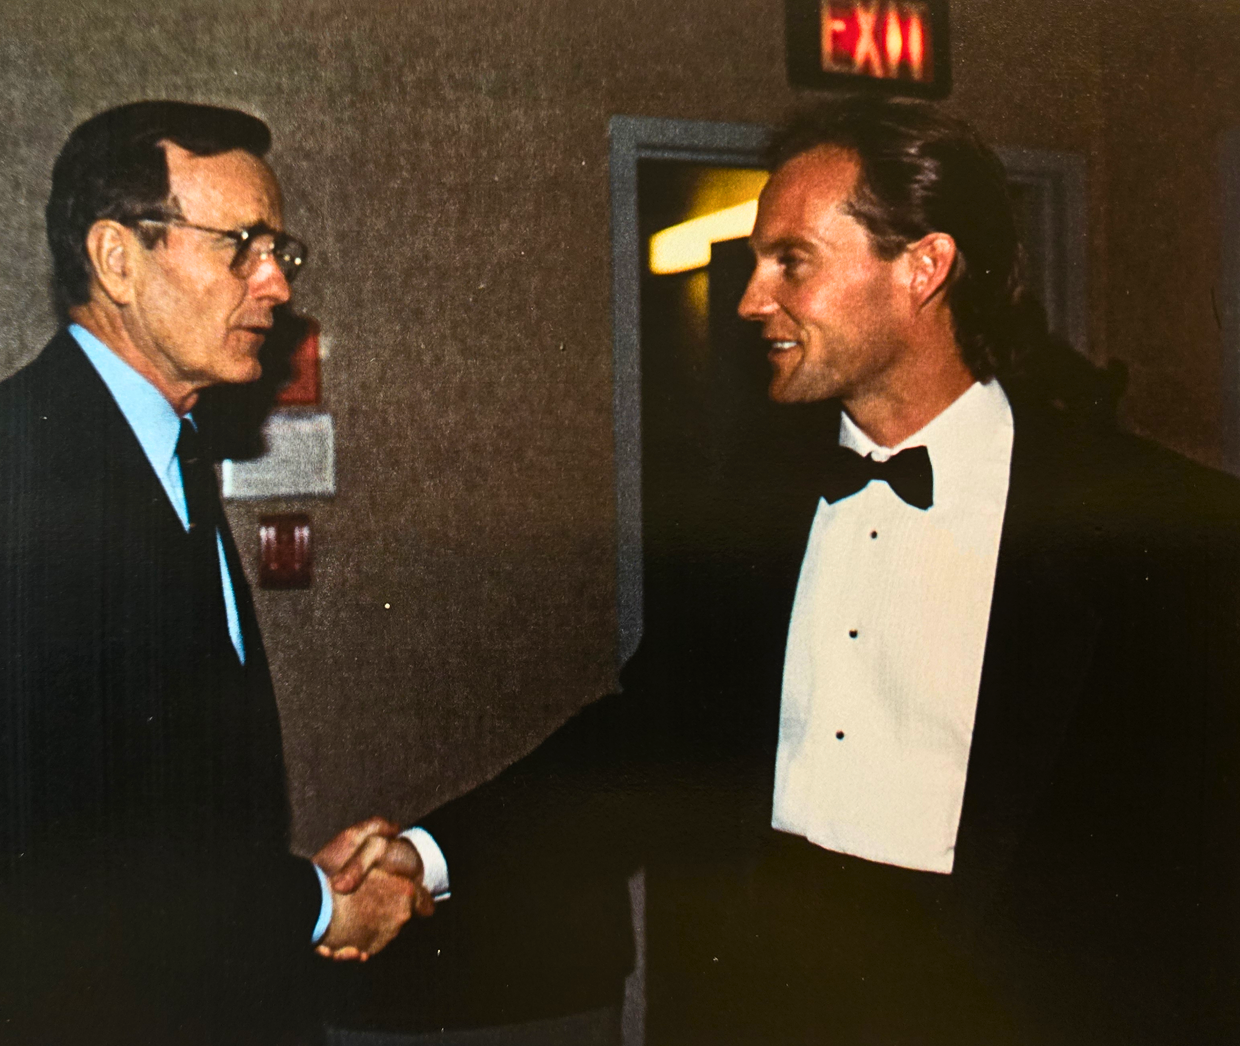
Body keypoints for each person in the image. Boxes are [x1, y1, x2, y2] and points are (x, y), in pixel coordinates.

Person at [334, 97, 1240, 1044]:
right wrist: (427, 853)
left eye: (791, 262)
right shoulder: (753, 498)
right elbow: (645, 733)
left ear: (923, 267)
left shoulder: (1168, 533)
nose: (749, 299)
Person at [0, 100, 430, 1046]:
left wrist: (294, 882)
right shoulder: (4, 474)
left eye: (280, 253)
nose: (274, 286)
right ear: (118, 259)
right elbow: (56, 859)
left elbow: (159, 790)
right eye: (241, 246)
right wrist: (312, 905)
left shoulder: (160, 451)